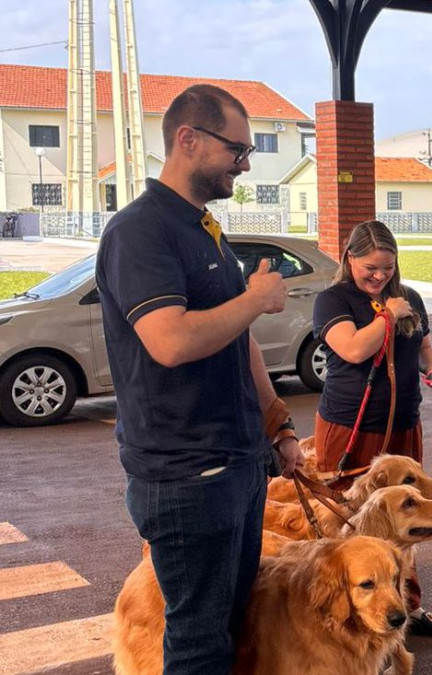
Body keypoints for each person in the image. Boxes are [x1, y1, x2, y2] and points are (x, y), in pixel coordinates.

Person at [96, 84, 303, 674]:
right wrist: (257, 298)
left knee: (229, 629)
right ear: (188, 139)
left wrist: (277, 424)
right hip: (189, 479)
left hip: (238, 466)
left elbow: (235, 342)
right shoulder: (141, 231)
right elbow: (170, 341)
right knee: (196, 645)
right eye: (237, 149)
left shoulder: (204, 228)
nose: (244, 162)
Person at [312, 219, 432, 637]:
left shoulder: (408, 297)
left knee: (408, 518)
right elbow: (354, 348)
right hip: (351, 429)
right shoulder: (333, 300)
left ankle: (407, 607)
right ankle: (345, 615)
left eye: (387, 268)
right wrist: (388, 317)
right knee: (349, 520)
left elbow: (423, 344)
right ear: (349, 259)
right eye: (370, 268)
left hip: (403, 427)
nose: (379, 276)